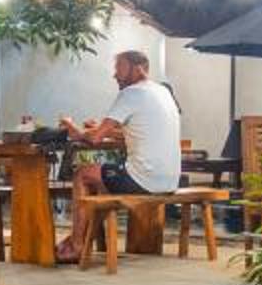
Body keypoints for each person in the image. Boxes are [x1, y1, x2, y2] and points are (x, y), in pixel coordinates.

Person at [56, 49, 183, 264]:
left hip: (144, 180)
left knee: (83, 174)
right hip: (170, 180)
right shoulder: (162, 91)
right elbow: (137, 131)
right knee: (103, 182)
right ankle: (84, 241)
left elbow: (95, 139)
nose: (115, 74)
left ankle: (76, 245)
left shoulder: (131, 93)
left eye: (120, 68)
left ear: (139, 68)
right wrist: (99, 130)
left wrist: (72, 127)